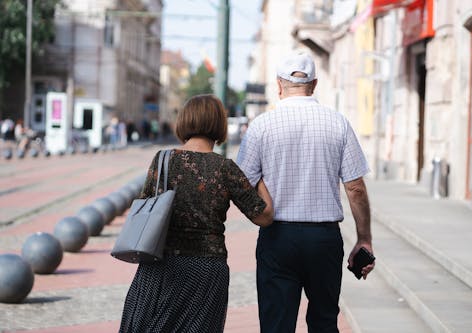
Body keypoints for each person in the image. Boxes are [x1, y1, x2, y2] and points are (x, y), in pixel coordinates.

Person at [237, 50, 375, 333]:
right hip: (323, 239)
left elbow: (242, 182)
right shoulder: (337, 123)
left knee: (276, 324)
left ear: (278, 85)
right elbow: (356, 188)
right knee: (324, 322)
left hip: (277, 236)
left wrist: (264, 188)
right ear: (313, 85)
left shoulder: (261, 126)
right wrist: (364, 239)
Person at [119, 94, 274, 332]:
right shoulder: (225, 168)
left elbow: (144, 205)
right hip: (206, 270)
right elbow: (264, 216)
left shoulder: (163, 160)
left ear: (185, 121)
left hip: (160, 265)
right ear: (219, 125)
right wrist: (260, 179)